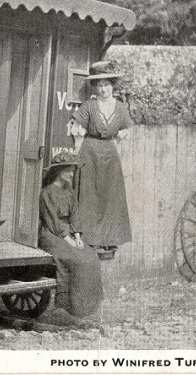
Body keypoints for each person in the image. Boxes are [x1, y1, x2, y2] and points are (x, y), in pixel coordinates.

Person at [71, 61, 133, 251]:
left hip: (110, 153)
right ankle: (90, 238)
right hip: (89, 152)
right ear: (96, 88)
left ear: (112, 86)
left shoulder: (121, 108)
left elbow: (127, 129)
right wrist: (76, 154)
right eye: (100, 85)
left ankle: (110, 238)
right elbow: (78, 130)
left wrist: (116, 142)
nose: (104, 89)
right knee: (89, 195)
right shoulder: (89, 106)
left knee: (110, 195)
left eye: (107, 85)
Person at [39, 151, 103, 317]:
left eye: (73, 171)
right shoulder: (46, 193)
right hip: (51, 235)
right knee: (77, 261)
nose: (72, 174)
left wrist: (77, 238)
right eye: (69, 171)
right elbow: (52, 221)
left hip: (68, 234)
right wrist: (68, 239)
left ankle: (86, 307)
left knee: (91, 258)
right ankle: (69, 305)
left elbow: (75, 215)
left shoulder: (69, 192)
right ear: (59, 172)